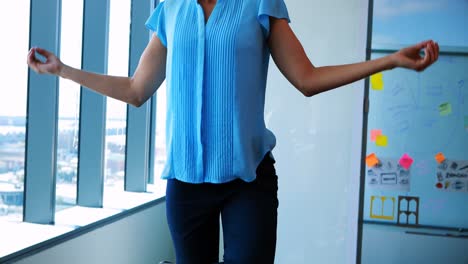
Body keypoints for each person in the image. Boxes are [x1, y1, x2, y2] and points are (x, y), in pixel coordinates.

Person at [27, 0, 439, 263]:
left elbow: (307, 78)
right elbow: (136, 90)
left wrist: (389, 62)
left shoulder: (258, 3)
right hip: (186, 187)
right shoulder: (170, 9)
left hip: (248, 181)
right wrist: (63, 70)